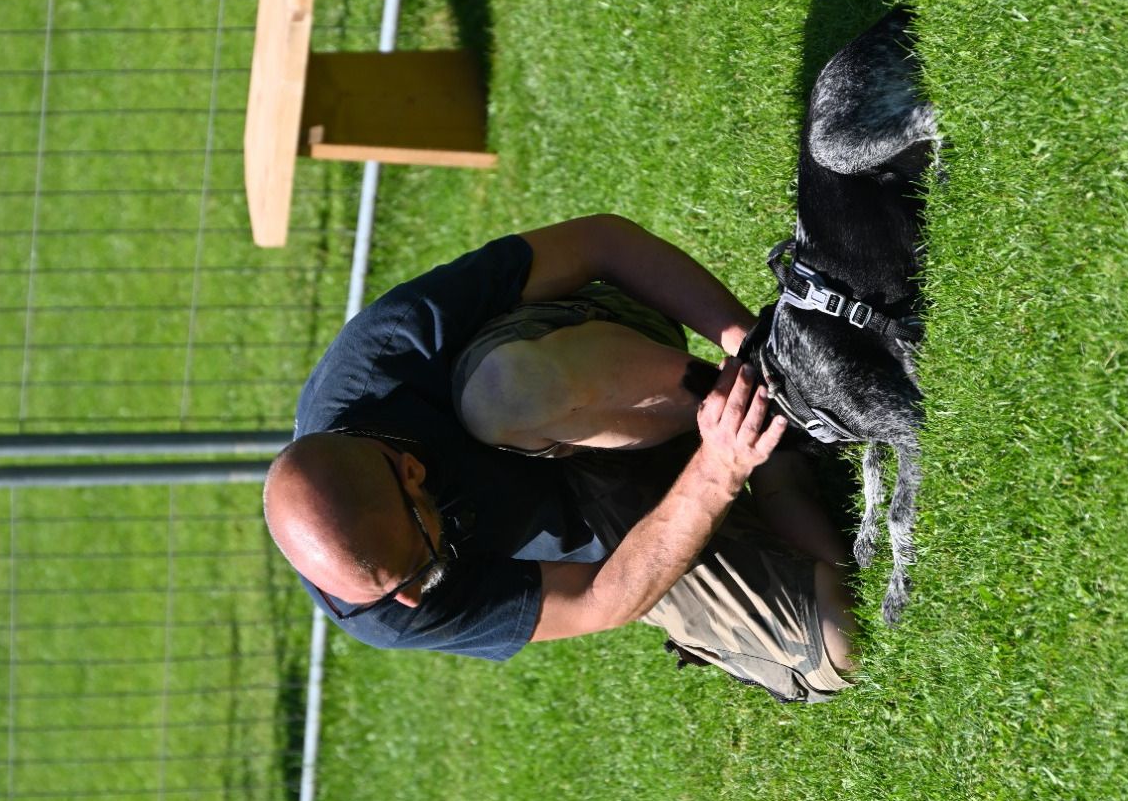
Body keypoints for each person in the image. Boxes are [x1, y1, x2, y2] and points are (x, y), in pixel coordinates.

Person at [263, 215, 859, 702]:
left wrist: (755, 347)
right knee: (841, 640)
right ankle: (771, 452)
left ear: (410, 472)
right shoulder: (381, 605)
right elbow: (599, 600)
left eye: (420, 568)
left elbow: (604, 243)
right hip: (610, 518)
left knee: (500, 394)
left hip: (607, 375)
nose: (413, 598)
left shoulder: (389, 353)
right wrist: (717, 474)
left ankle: (768, 395)